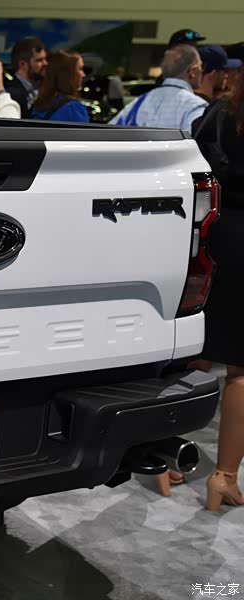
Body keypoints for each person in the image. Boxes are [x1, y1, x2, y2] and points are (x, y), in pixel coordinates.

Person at [189, 66, 244, 511]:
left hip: (209, 234)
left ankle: (167, 458)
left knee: (195, 350)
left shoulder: (213, 116)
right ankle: (223, 477)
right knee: (241, 370)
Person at [110, 44, 207, 133]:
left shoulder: (139, 102)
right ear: (192, 71)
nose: (202, 70)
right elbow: (194, 142)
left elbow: (109, 133)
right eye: (200, 66)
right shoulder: (196, 106)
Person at [29, 51, 89, 123]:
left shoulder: (38, 106)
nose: (83, 74)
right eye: (80, 69)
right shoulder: (73, 109)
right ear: (68, 74)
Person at [5, 37, 48, 118]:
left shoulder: (41, 89)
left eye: (45, 59)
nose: (45, 63)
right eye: (39, 60)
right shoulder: (12, 95)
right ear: (22, 64)